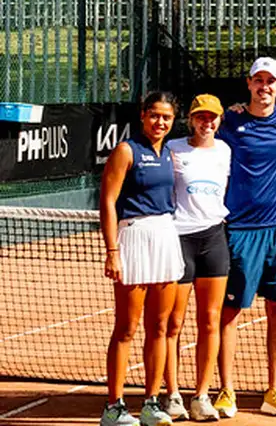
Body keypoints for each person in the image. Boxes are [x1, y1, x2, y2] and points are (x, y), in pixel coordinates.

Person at [216, 57, 276, 417]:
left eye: (271, 81)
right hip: (240, 231)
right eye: (258, 80)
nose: (264, 87)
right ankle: (226, 390)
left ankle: (274, 389)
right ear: (248, 83)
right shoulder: (229, 122)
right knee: (230, 311)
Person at [99, 91, 184, 426]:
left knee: (160, 326)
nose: (160, 122)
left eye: (166, 117)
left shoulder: (170, 153)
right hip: (133, 236)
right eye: (154, 115)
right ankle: (114, 406)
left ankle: (151, 402)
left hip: (165, 235)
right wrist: (112, 251)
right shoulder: (126, 150)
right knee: (127, 327)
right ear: (143, 115)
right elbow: (108, 202)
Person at [163, 95, 232, 422]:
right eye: (201, 117)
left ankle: (202, 395)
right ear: (191, 120)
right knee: (172, 323)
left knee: (210, 320)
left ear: (219, 120)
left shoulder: (225, 151)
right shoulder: (173, 148)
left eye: (212, 117)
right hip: (178, 240)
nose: (207, 122)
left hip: (214, 239)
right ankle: (172, 394)